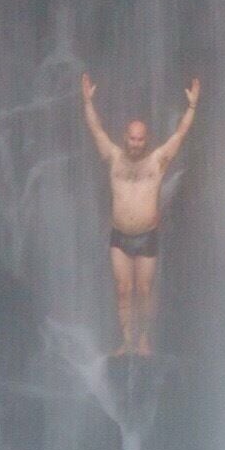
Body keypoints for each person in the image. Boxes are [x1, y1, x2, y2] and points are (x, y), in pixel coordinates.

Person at [81, 71, 200, 356]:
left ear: (147, 139)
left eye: (140, 139)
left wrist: (193, 106)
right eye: (132, 138)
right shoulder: (112, 157)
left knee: (144, 290)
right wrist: (87, 102)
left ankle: (144, 339)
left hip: (147, 236)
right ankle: (126, 341)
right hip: (119, 236)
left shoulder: (157, 161)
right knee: (123, 289)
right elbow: (95, 129)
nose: (135, 143)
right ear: (126, 137)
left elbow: (181, 134)